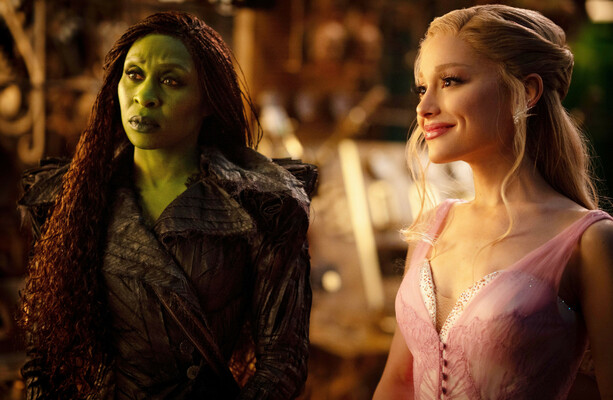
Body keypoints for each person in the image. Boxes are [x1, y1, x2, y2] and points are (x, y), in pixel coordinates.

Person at [18, 11, 316, 399]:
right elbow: (45, 359)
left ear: (207, 100)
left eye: (171, 81)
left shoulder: (262, 206)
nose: (145, 96)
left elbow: (283, 362)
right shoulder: (72, 200)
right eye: (134, 75)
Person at [374, 4, 613, 400]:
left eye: (450, 81)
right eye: (422, 87)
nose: (424, 107)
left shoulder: (589, 241)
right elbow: (398, 382)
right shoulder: (433, 227)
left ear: (527, 92)